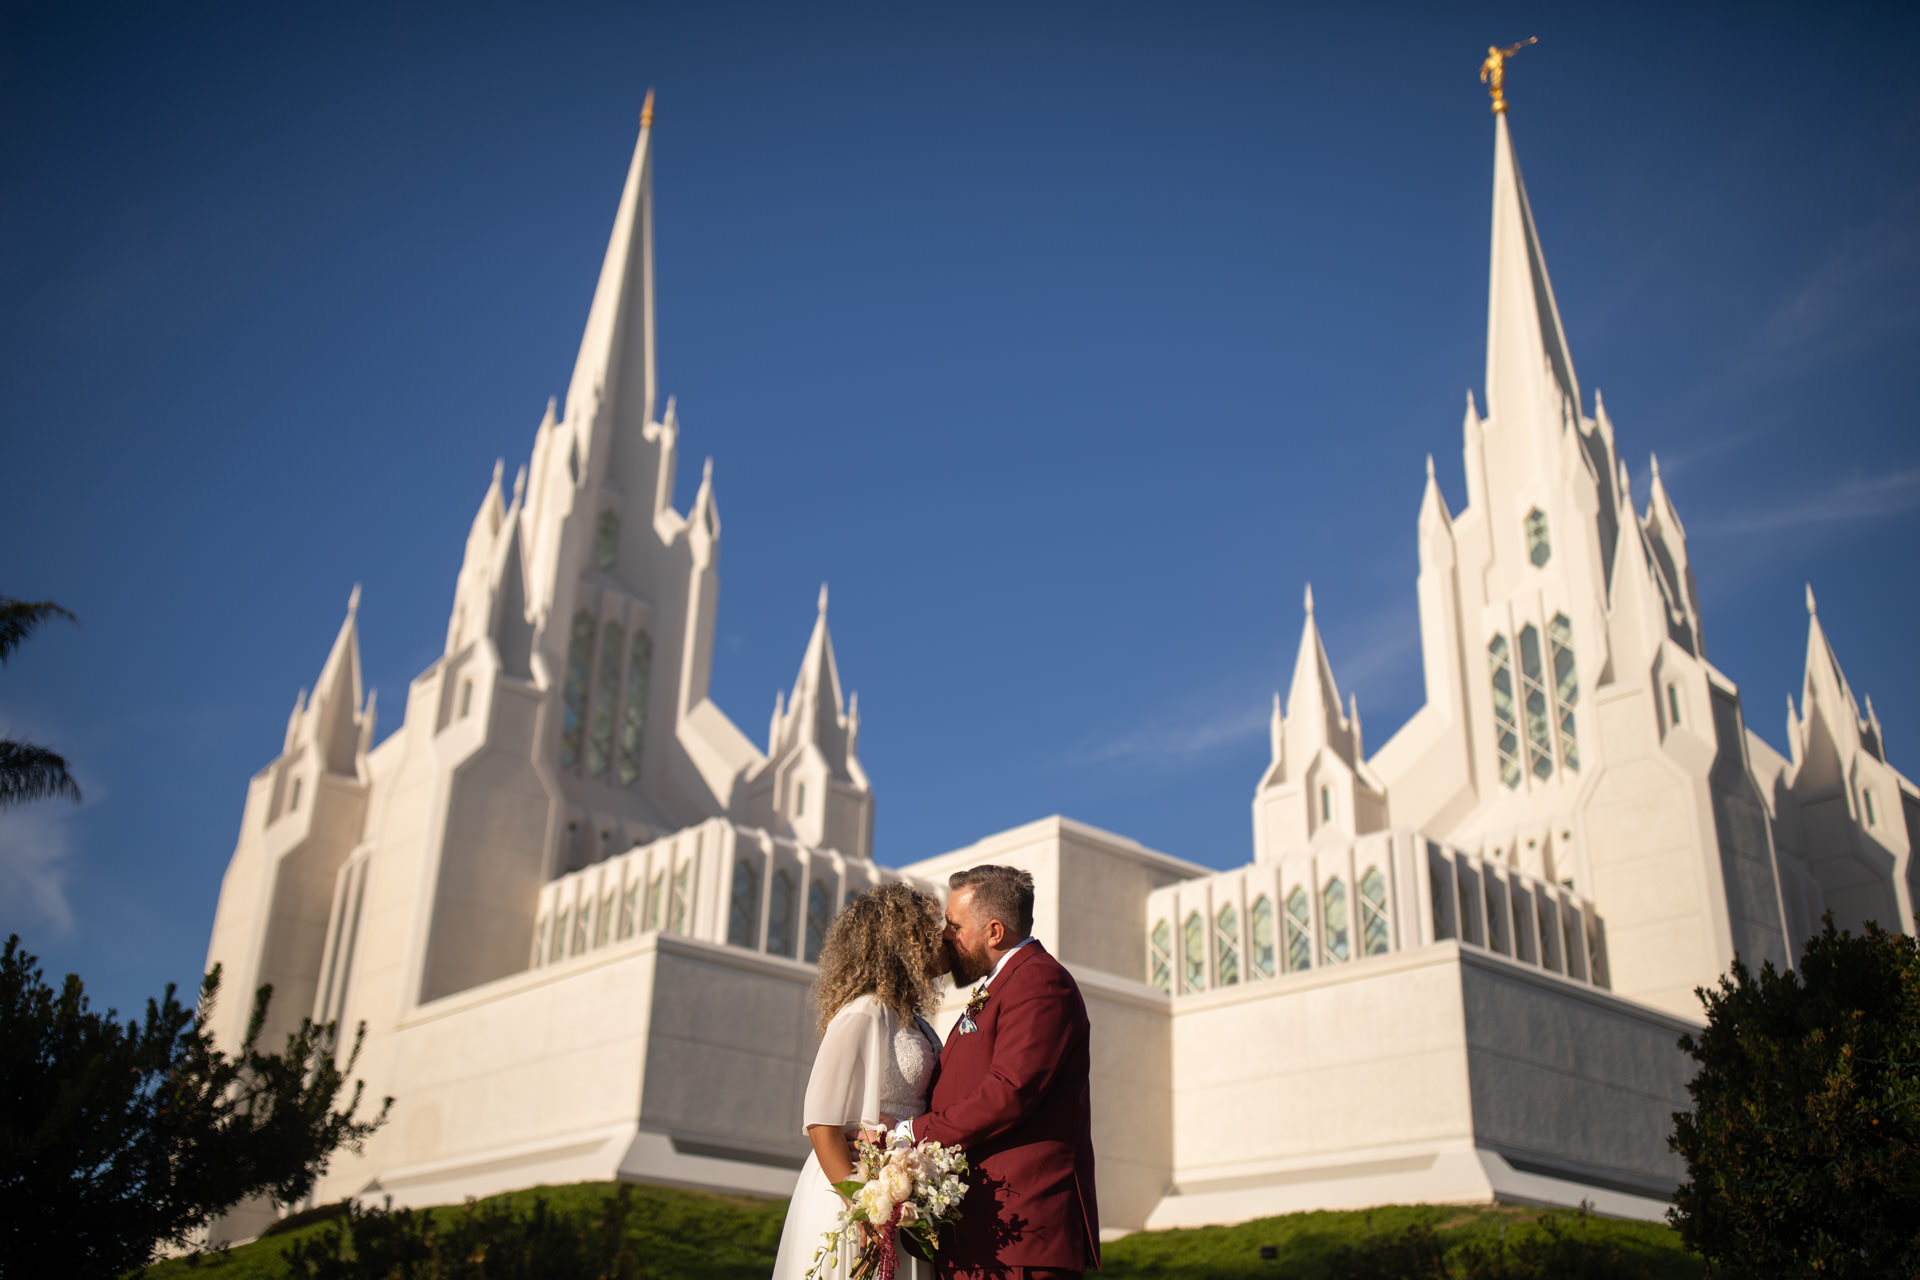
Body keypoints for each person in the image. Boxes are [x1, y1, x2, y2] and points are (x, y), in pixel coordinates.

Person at [900, 865, 1099, 1280]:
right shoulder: (1005, 981)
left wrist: (914, 1133)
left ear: (994, 932)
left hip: (1021, 1231)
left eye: (954, 926)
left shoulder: (1040, 983)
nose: (945, 937)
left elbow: (1010, 1091)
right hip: (983, 1231)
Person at [771, 881, 948, 1280]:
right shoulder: (863, 1014)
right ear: (903, 942)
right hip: (854, 1193)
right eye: (930, 932)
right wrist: (863, 1208)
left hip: (903, 1198)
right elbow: (822, 1122)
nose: (942, 940)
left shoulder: (915, 1021)